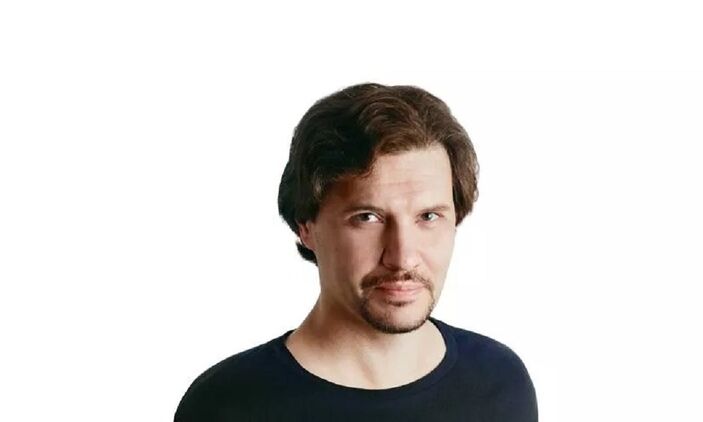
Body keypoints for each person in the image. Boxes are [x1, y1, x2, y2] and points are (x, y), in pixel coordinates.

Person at [174, 83, 538, 421]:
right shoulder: (227, 405)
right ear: (306, 226)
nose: (402, 257)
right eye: (367, 217)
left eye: (428, 216)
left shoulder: (499, 383)